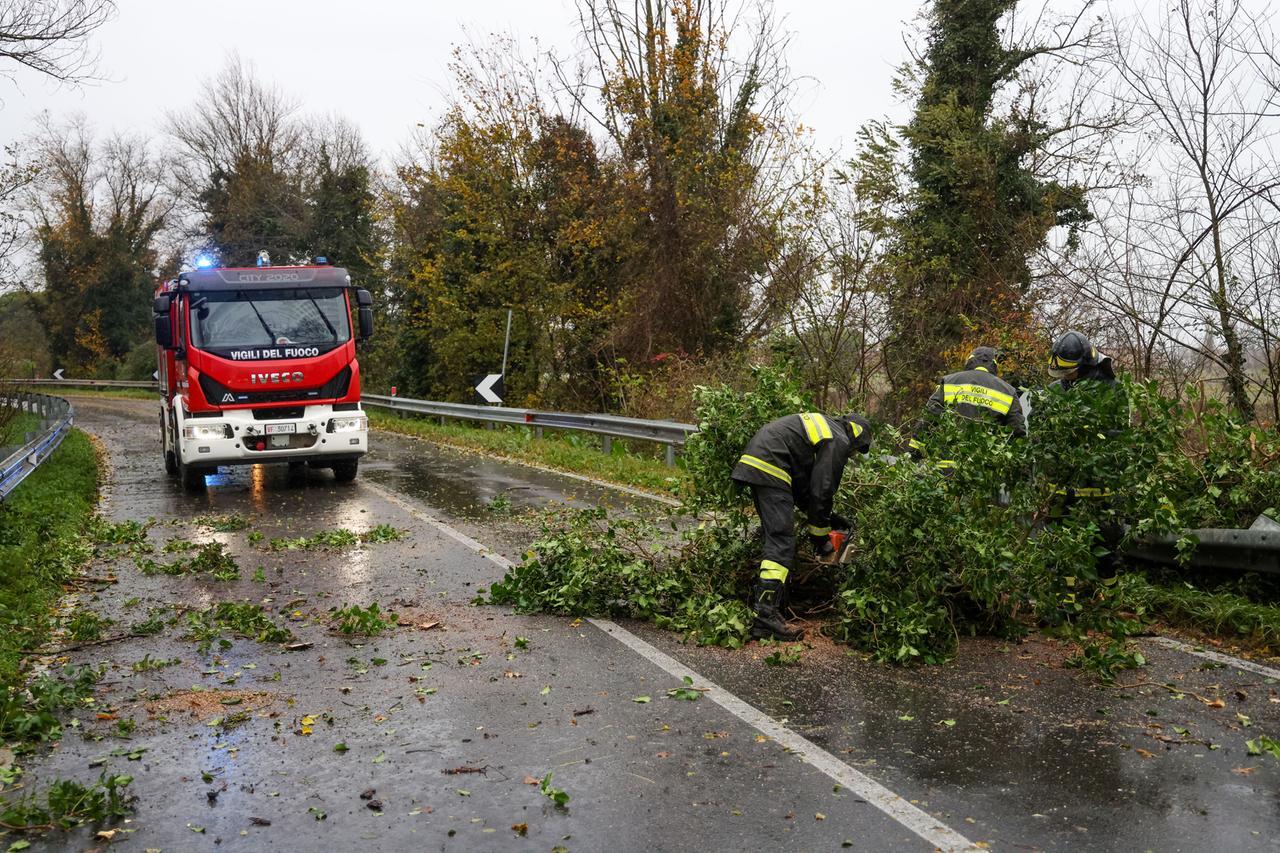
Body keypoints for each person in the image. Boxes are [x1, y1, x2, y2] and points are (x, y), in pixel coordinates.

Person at [732, 411, 873, 640]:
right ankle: (765, 616)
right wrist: (820, 538)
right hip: (771, 463)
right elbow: (823, 489)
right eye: (856, 451)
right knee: (782, 540)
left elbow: (803, 491)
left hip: (763, 459)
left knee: (777, 539)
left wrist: (831, 519)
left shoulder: (823, 430)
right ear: (858, 436)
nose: (852, 455)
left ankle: (770, 610)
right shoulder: (839, 438)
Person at [1044, 330, 1126, 577]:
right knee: (1059, 550)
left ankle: (1108, 601)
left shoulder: (1112, 390)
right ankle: (1063, 605)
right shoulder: (1056, 390)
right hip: (1062, 488)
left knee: (1105, 549)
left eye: (1070, 371)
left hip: (1100, 489)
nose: (1066, 376)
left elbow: (1119, 436)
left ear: (1086, 364)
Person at [908, 346, 1026, 465]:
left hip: (948, 466)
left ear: (970, 361)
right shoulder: (1008, 391)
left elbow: (929, 418)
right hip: (986, 470)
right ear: (994, 365)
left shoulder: (950, 381)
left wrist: (915, 452)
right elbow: (1017, 431)